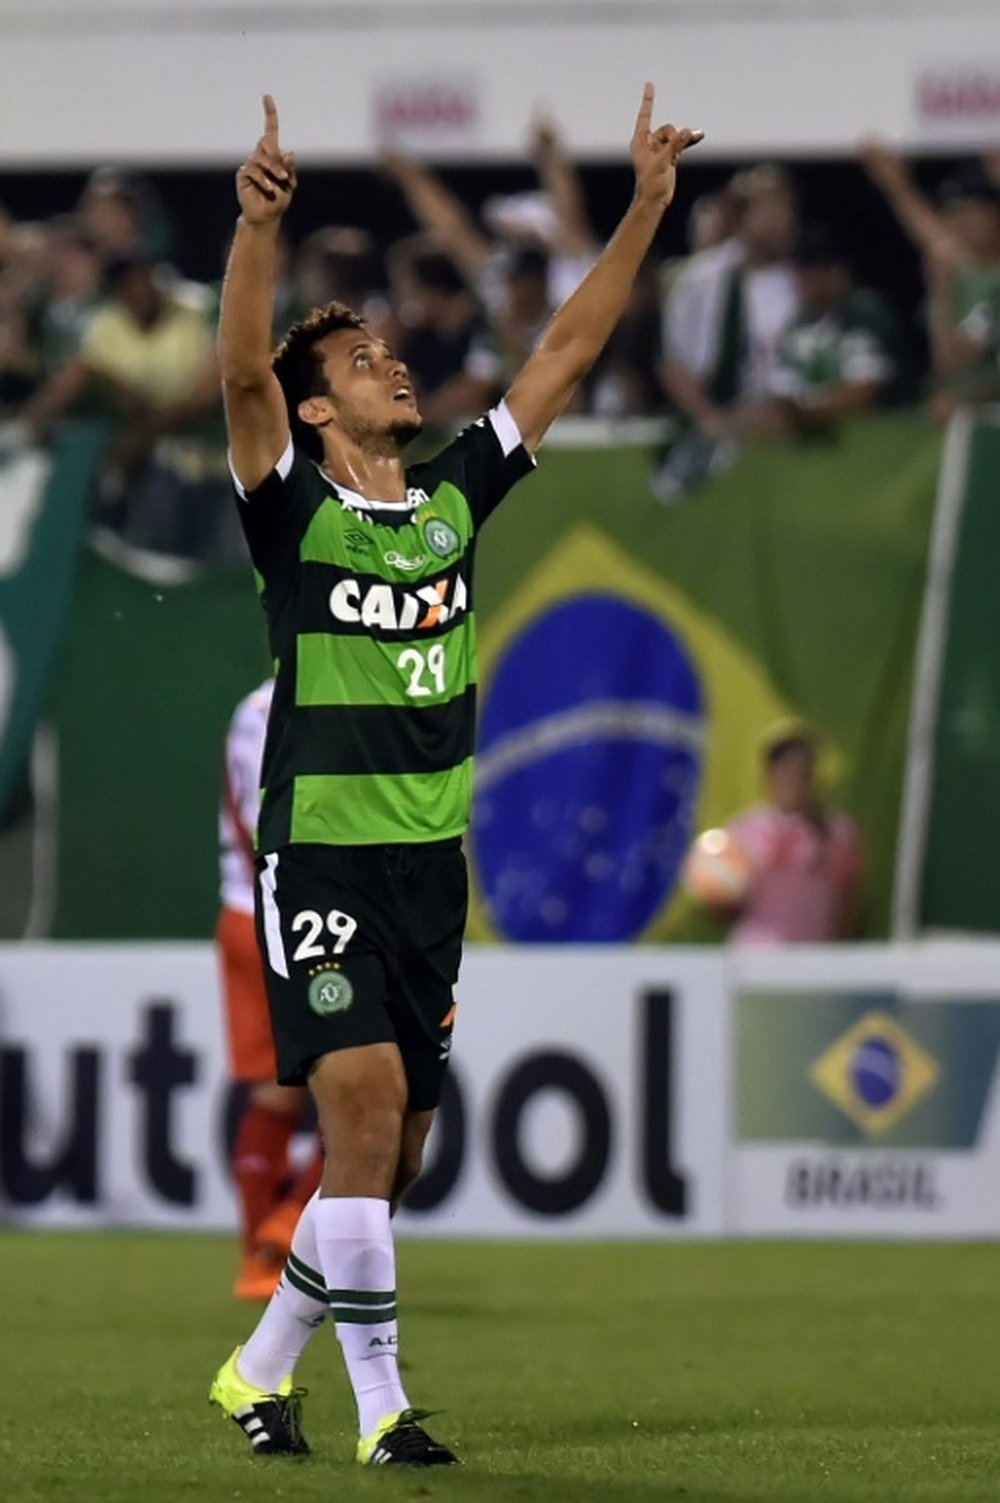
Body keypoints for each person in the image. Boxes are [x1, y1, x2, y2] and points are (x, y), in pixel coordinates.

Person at [207, 88, 701, 1468]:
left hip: (431, 861)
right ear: (315, 407)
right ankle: (384, 1412)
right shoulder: (288, 506)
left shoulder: (448, 505)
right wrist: (257, 231)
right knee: (359, 1114)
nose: (394, 364)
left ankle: (254, 1372)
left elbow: (565, 347)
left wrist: (647, 207)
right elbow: (240, 377)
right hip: (323, 852)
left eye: (389, 349)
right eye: (362, 358)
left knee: (397, 1155)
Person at [216, 678, 323, 1301]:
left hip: (245, 911)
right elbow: (270, 825)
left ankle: (263, 1259)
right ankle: (284, 1230)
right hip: (286, 916)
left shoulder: (252, 704)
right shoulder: (288, 705)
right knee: (368, 1083)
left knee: (278, 1094)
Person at [723, 723, 862, 945]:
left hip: (815, 959)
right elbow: (725, 906)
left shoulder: (837, 830)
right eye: (787, 770)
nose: (796, 780)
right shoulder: (744, 830)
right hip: (757, 956)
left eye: (804, 771)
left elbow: (849, 899)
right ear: (770, 775)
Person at [765, 223, 911, 434]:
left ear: (843, 271)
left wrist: (806, 415)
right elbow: (782, 393)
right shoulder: (793, 326)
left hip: (881, 431)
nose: (817, 279)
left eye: (825, 267)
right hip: (818, 437)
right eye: (806, 269)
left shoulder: (867, 313)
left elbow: (867, 391)